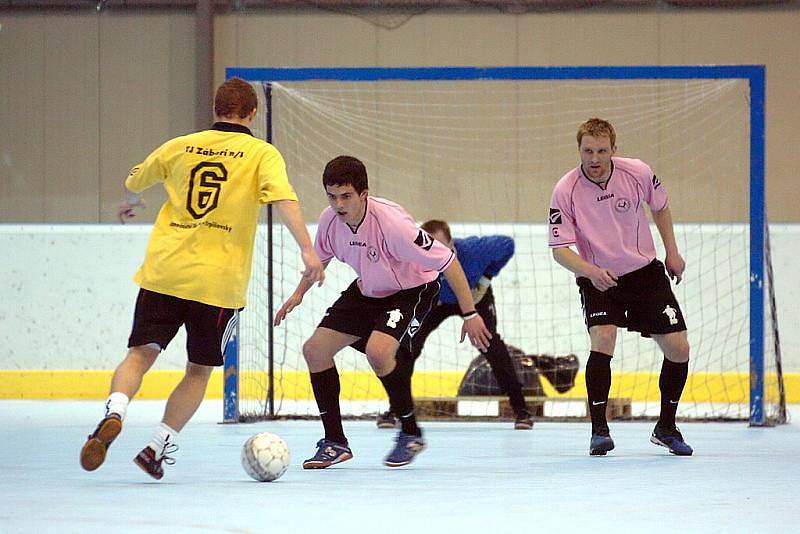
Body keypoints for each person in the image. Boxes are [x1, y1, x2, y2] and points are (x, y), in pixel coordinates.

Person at [79, 77, 324, 480]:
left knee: (140, 354)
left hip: (164, 272)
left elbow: (135, 180)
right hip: (218, 285)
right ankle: (156, 448)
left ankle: (115, 411)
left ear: (215, 109)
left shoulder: (178, 146)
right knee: (197, 371)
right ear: (252, 113)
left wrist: (135, 200)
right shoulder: (261, 154)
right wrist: (306, 248)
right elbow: (284, 198)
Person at [274, 155, 491, 468]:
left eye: (346, 196)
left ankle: (410, 432)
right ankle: (335, 442)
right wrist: (297, 294)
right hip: (368, 290)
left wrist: (470, 314)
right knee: (315, 350)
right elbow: (320, 259)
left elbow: (449, 262)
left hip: (410, 292)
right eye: (332, 197)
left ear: (364, 194)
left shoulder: (393, 226)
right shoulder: (330, 221)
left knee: (378, 352)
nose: (338, 204)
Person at [548, 118, 693, 457]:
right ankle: (599, 430)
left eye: (601, 150)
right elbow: (559, 249)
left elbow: (660, 206)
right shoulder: (565, 190)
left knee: (679, 348)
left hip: (644, 273)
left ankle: (666, 427)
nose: (594, 159)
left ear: (614, 149)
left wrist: (672, 251)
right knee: (603, 337)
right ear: (579, 150)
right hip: (598, 276)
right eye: (587, 151)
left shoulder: (637, 172)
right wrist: (590, 271)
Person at [375, 220, 533, 430]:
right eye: (428, 249)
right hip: (435, 302)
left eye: (440, 248)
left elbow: (507, 245)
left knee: (490, 344)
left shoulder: (475, 251)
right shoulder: (413, 261)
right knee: (407, 347)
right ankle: (396, 408)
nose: (434, 254)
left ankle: (521, 409)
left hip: (472, 297)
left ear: (452, 244)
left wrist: (485, 280)